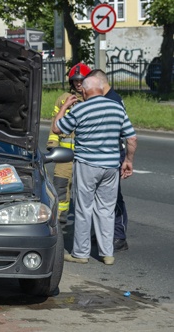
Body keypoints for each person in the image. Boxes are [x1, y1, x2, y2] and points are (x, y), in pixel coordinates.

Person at [52, 75, 137, 266]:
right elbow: (132, 139)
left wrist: (65, 106)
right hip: (111, 167)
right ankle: (107, 254)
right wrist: (128, 161)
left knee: (83, 209)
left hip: (87, 165)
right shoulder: (116, 107)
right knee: (106, 210)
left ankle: (81, 254)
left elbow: (57, 129)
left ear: (84, 90)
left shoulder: (81, 108)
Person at [86, 69, 129, 252]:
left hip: (111, 153)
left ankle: (118, 236)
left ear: (99, 83)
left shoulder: (112, 100)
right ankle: (101, 233)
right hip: (106, 152)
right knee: (100, 196)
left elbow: (124, 131)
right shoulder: (110, 98)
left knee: (113, 197)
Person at [47, 63, 91, 223]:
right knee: (60, 183)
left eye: (81, 80)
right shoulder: (63, 99)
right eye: (75, 81)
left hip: (85, 154)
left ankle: (86, 219)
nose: (78, 84)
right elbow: (55, 122)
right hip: (65, 155)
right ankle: (59, 217)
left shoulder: (92, 99)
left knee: (85, 188)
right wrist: (52, 143)